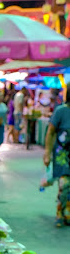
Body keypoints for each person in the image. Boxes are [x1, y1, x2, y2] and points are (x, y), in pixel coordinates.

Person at [43, 89, 70, 227]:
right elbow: (51, 132)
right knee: (64, 184)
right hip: (62, 155)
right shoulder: (61, 111)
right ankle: (60, 212)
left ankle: (67, 212)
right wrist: (47, 153)